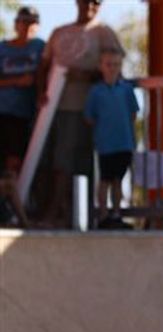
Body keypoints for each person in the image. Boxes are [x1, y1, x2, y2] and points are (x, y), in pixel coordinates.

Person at [36, 0, 124, 227]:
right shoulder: (59, 32)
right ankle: (54, 212)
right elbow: (43, 65)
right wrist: (40, 93)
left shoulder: (104, 34)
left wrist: (86, 75)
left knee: (74, 163)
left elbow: (115, 69)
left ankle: (70, 215)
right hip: (51, 110)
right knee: (50, 162)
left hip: (83, 109)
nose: (90, 5)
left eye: (96, 2)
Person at [83, 48, 138, 229]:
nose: (112, 68)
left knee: (118, 180)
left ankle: (116, 213)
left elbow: (132, 114)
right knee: (105, 179)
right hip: (105, 143)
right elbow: (89, 117)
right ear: (101, 66)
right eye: (108, 64)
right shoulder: (96, 92)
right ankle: (103, 215)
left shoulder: (127, 90)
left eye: (116, 64)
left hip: (124, 142)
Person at [0, 7, 44, 173]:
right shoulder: (2, 49)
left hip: (23, 115)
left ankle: (12, 197)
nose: (27, 26)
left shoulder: (40, 47)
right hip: (2, 110)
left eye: (32, 22)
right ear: (16, 24)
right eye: (23, 21)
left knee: (15, 162)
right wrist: (17, 81)